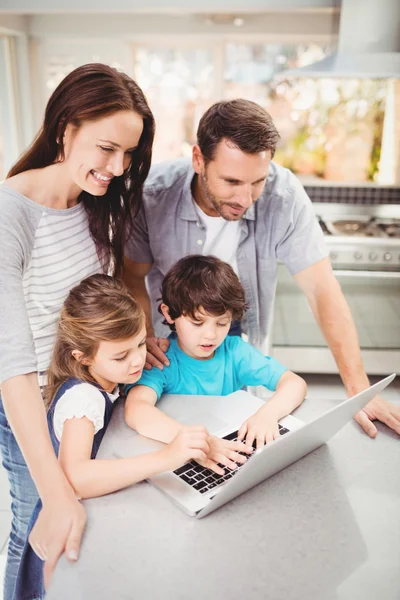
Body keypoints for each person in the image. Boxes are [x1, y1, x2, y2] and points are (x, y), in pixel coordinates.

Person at [123, 98, 400, 440]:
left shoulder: (283, 197)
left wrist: (359, 390)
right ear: (199, 160)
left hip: (243, 331)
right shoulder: (153, 194)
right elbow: (132, 277)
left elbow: (322, 291)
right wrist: (144, 339)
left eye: (258, 182)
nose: (246, 198)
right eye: (232, 182)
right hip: (170, 341)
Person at [0, 62, 155, 599]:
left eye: (129, 154)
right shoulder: (9, 215)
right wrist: (53, 486)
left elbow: (98, 300)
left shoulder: (94, 203)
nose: (117, 166)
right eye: (106, 148)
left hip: (80, 388)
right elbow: (12, 363)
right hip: (27, 398)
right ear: (66, 127)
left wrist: (138, 343)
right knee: (39, 522)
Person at [14, 273, 209, 599]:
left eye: (138, 344)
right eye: (121, 356)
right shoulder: (83, 398)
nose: (136, 360)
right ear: (83, 356)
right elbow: (76, 476)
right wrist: (167, 456)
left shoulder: (103, 379)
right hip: (62, 541)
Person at [125, 256, 307, 471]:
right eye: (197, 323)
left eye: (222, 323)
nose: (210, 335)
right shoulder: (162, 360)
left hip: (228, 450)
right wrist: (200, 444)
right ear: (169, 313)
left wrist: (267, 415)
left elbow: (294, 383)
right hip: (180, 457)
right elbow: (136, 410)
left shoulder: (234, 351)